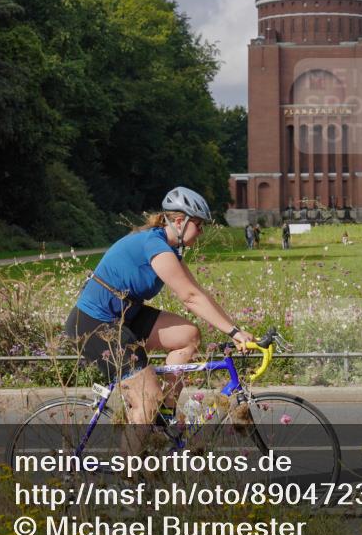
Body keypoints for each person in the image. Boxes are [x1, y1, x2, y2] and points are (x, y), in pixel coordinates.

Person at [64, 187, 255, 448]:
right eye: (198, 225)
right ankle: (128, 476)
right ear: (179, 222)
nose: (201, 231)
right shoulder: (154, 245)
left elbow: (198, 292)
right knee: (146, 399)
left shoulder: (168, 247)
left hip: (124, 316)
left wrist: (235, 329)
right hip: (93, 323)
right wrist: (234, 334)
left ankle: (163, 416)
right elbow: (189, 297)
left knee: (188, 335)